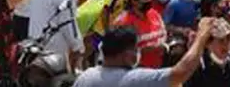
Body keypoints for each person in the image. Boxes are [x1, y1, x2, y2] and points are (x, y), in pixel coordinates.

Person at [72, 20, 212, 87]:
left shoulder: (85, 78)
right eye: (136, 48)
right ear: (127, 54)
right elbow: (181, 73)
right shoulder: (134, 79)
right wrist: (201, 37)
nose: (137, 53)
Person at [112, 0, 167, 69]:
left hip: (157, 67)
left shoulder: (154, 14)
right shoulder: (123, 21)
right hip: (135, 70)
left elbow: (163, 32)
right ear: (134, 1)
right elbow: (121, 50)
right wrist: (146, 49)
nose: (148, 1)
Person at [183, 17, 230, 87]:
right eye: (221, 40)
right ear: (208, 43)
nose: (226, 44)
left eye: (229, 38)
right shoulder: (198, 69)